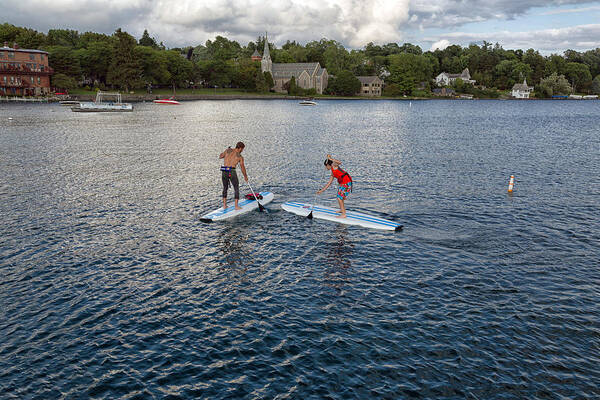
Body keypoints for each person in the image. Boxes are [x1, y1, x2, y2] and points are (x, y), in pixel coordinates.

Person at [219, 142, 248, 210]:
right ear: (240, 148)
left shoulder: (228, 150)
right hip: (231, 171)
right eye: (242, 149)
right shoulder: (240, 157)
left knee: (225, 187)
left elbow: (220, 156)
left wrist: (225, 151)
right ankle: (236, 206)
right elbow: (242, 168)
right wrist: (245, 176)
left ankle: (224, 205)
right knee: (236, 187)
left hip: (224, 170)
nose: (242, 150)